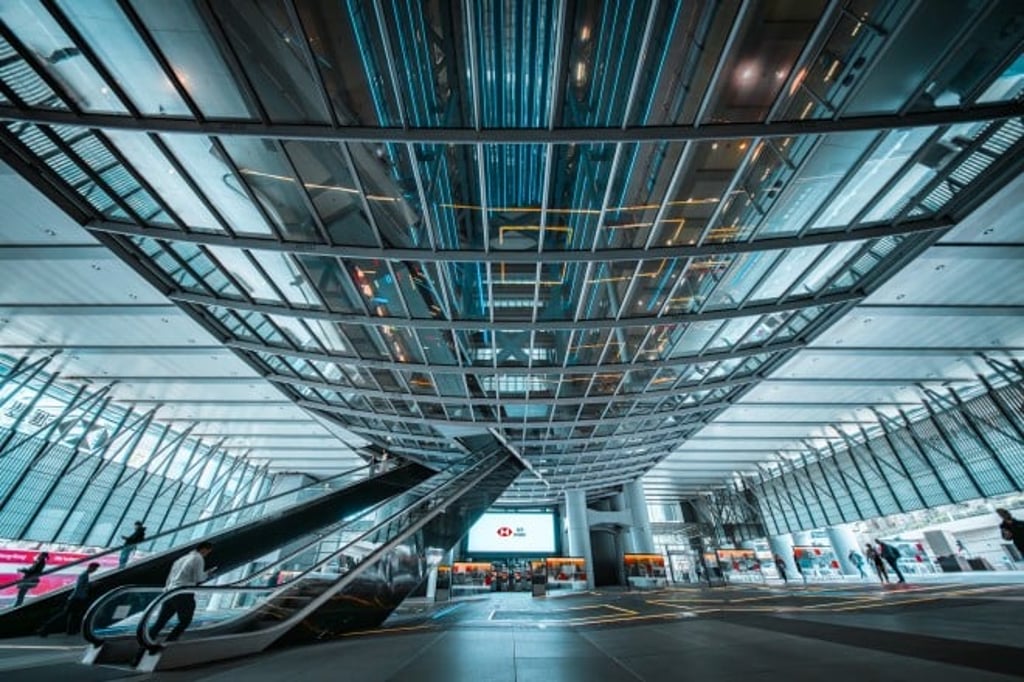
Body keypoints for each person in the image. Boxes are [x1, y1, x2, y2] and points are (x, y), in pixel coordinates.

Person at [147, 541, 215, 645]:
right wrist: (208, 574)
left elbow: (170, 577)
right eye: (208, 552)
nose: (207, 555)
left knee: (160, 621)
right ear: (204, 549)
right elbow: (198, 578)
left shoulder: (181, 559)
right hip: (183, 592)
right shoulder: (198, 558)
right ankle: (168, 644)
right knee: (185, 621)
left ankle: (145, 644)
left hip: (170, 592)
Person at [38, 562, 99, 636]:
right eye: (95, 568)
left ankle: (70, 631)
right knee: (65, 614)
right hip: (76, 599)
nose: (95, 570)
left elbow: (81, 586)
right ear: (91, 567)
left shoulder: (85, 575)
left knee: (72, 615)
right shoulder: (84, 575)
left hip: (76, 598)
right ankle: (44, 629)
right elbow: (79, 587)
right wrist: (90, 586)